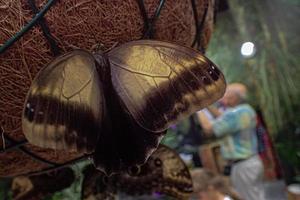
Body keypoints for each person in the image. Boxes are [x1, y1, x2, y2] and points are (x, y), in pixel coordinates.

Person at [197, 83, 265, 200]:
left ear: (233, 97)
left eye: (224, 94)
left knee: (249, 198)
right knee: (255, 196)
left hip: (244, 165)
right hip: (250, 162)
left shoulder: (237, 114)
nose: (221, 97)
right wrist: (207, 104)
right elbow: (223, 118)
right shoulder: (244, 110)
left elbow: (209, 129)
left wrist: (197, 108)